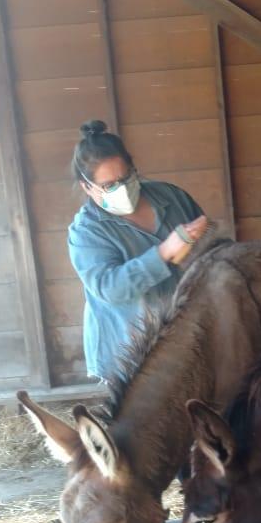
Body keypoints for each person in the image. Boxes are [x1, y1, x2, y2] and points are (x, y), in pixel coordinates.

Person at [68, 119, 208, 381]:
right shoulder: (85, 231)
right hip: (128, 347)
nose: (121, 189)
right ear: (87, 186)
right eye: (109, 186)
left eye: (127, 178)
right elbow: (110, 288)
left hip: (187, 333)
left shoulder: (171, 196)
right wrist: (164, 252)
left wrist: (205, 235)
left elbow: (207, 251)